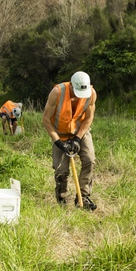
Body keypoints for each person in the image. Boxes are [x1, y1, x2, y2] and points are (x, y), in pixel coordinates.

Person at [41, 71, 97, 210]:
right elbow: (46, 119)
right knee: (61, 170)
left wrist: (77, 138)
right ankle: (62, 199)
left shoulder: (91, 94)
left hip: (80, 131)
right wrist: (59, 143)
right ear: (71, 84)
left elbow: (89, 118)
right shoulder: (57, 93)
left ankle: (83, 197)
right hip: (60, 134)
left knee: (89, 160)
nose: (79, 96)